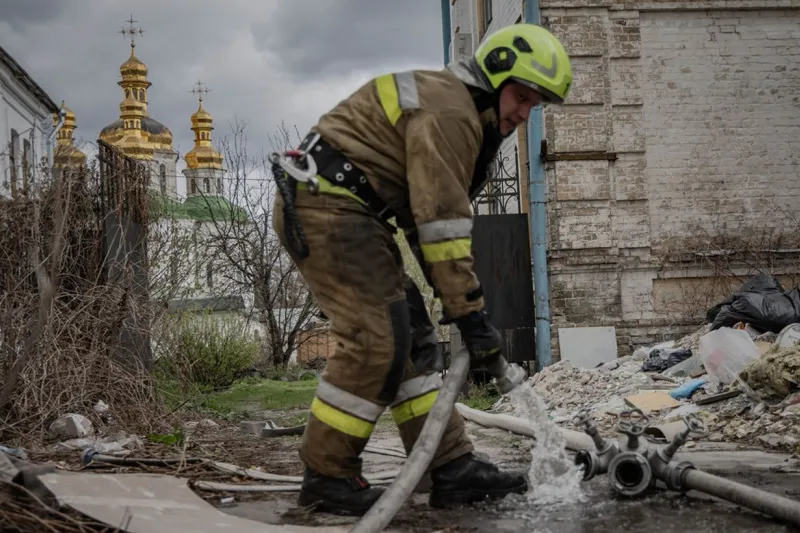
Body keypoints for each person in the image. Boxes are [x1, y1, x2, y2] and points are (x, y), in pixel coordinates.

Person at [271, 23, 573, 516]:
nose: (524, 113)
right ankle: (327, 476)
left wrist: (460, 306)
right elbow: (441, 224)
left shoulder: (459, 109)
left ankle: (449, 466)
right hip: (328, 206)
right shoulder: (452, 112)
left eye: (534, 105)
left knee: (413, 341)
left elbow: (421, 219)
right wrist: (469, 313)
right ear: (494, 78)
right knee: (377, 340)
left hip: (349, 208)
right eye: (521, 97)